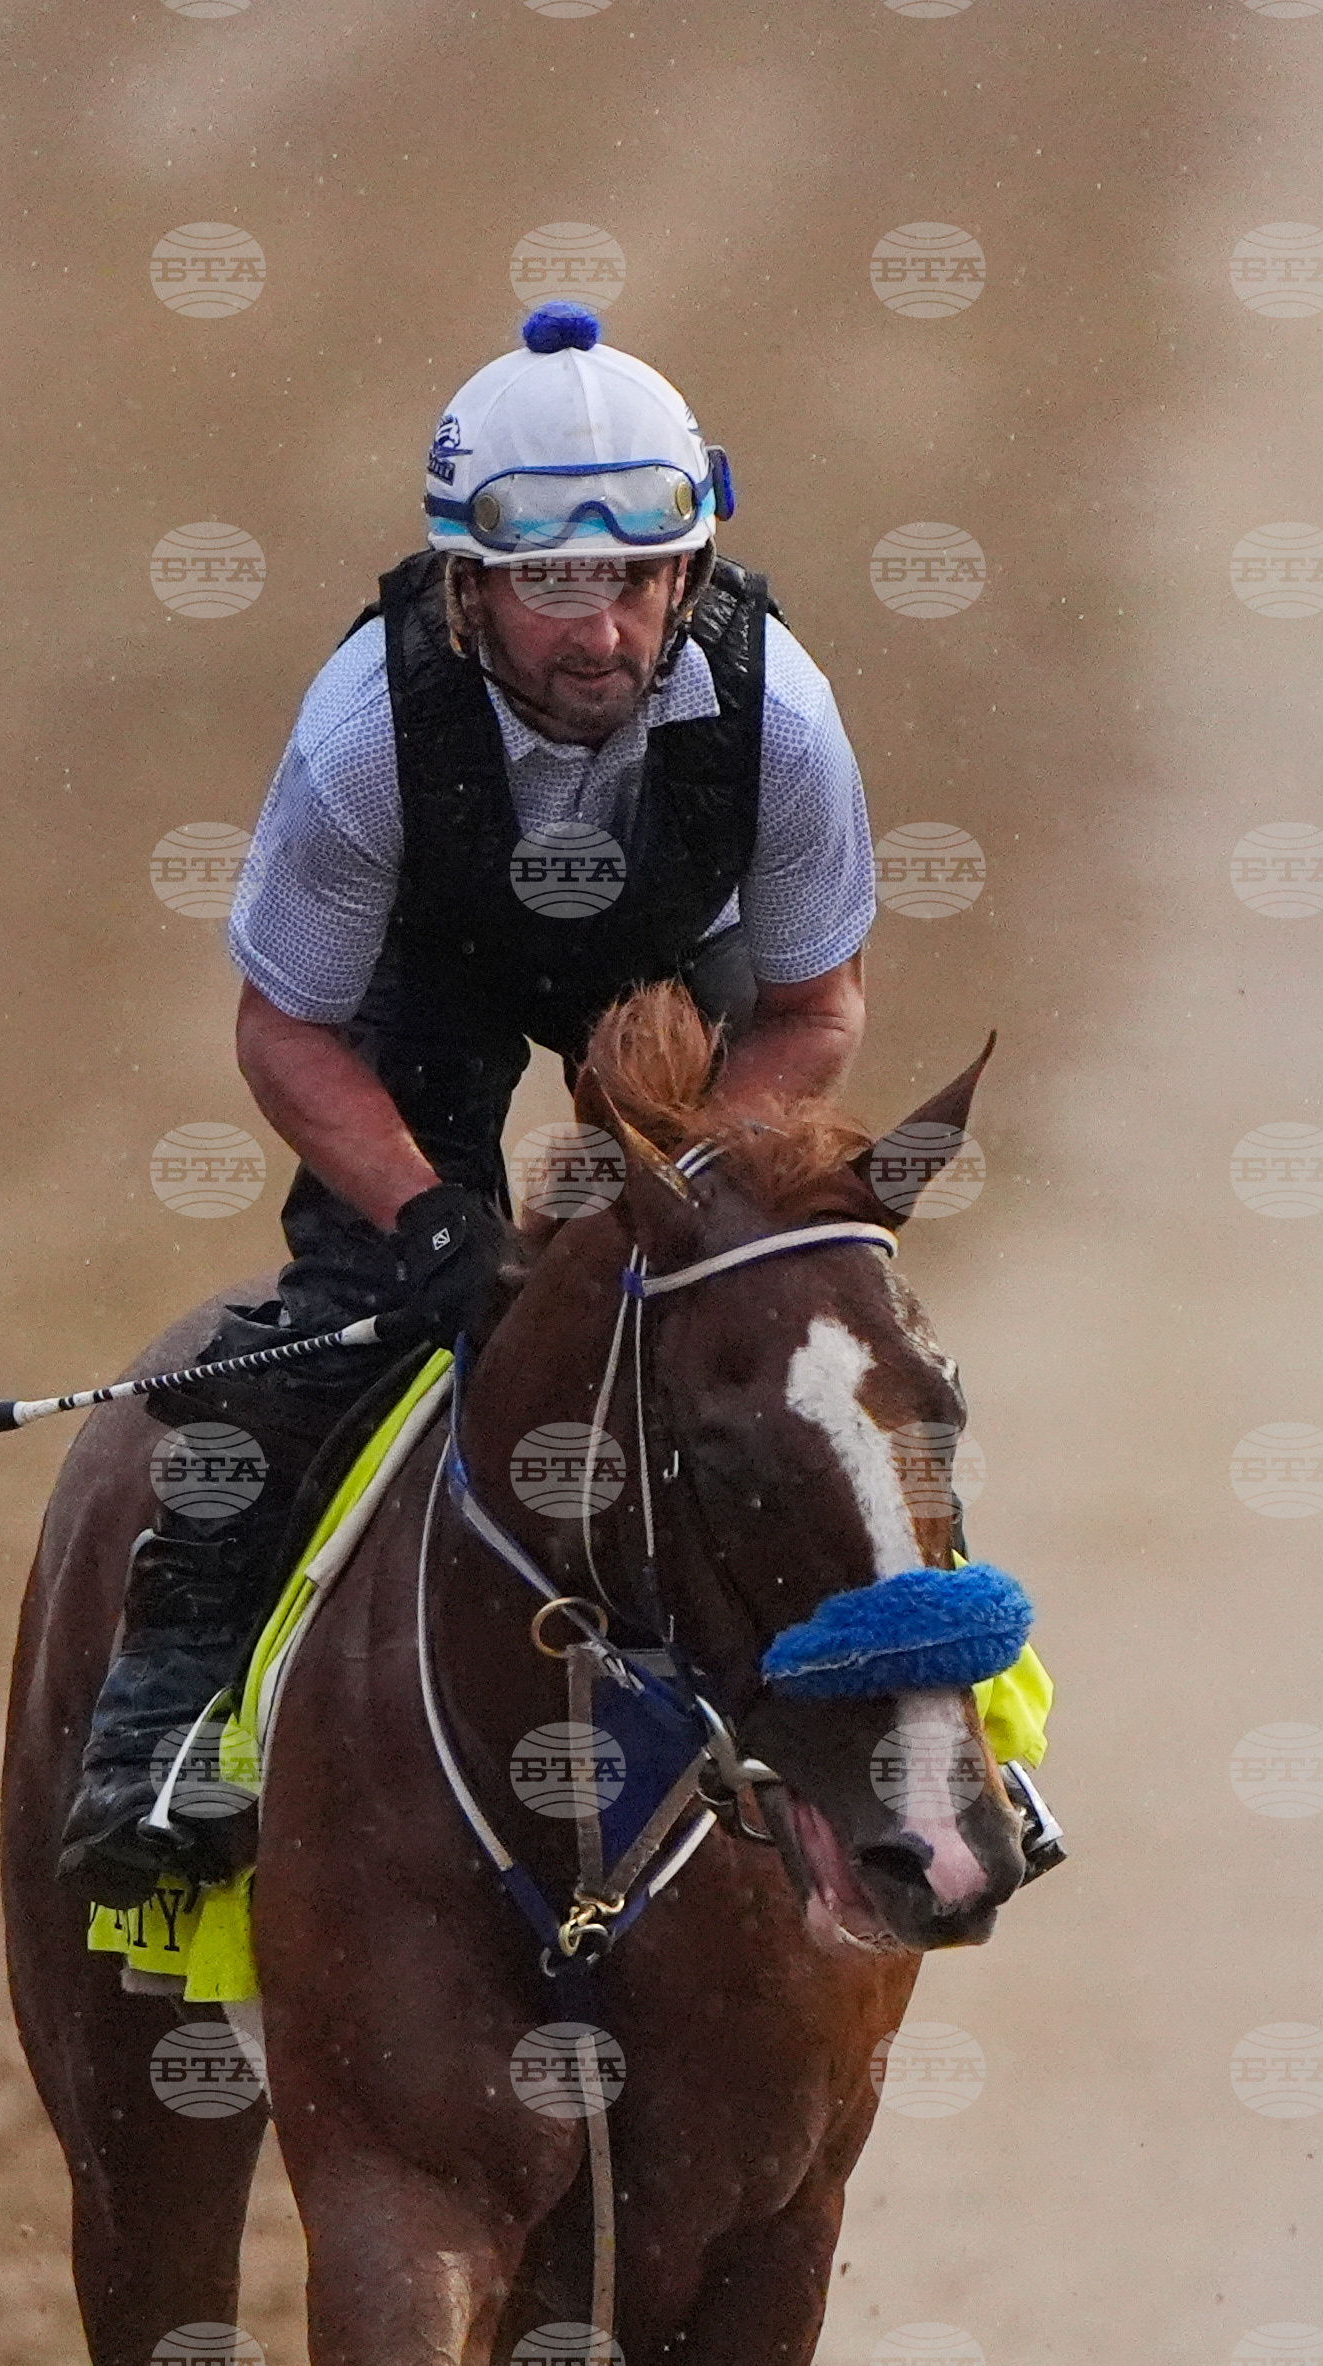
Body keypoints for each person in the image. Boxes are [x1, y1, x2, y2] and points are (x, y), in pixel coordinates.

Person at [58, 302, 881, 1906]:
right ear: (469, 587)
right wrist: (430, 1215)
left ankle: (928, 1731)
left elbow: (815, 1007)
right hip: (423, 984)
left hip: (670, 986)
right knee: (358, 1318)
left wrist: (696, 1186)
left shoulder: (782, 722)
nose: (600, 635)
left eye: (635, 583)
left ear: (688, 578)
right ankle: (161, 1732)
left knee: (800, 1353)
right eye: (553, 588)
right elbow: (286, 1027)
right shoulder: (364, 735)